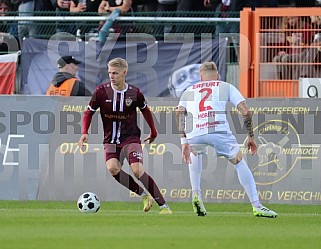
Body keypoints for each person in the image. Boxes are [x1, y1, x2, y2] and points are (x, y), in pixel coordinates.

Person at [175, 61, 278, 218]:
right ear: (217, 75)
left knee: (194, 153)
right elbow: (245, 111)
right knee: (239, 162)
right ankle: (257, 206)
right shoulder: (225, 86)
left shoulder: (188, 90)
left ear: (201, 77)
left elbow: (179, 113)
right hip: (219, 130)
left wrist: (184, 142)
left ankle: (196, 195)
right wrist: (251, 136)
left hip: (195, 132)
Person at [78, 57, 172, 214]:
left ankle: (164, 206)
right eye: (109, 73)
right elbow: (88, 113)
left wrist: (153, 131)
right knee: (113, 169)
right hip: (110, 141)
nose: (112, 76)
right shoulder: (101, 92)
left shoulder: (134, 93)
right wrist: (84, 133)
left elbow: (146, 111)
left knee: (137, 170)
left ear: (124, 73)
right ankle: (143, 195)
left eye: (115, 73)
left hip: (130, 138)